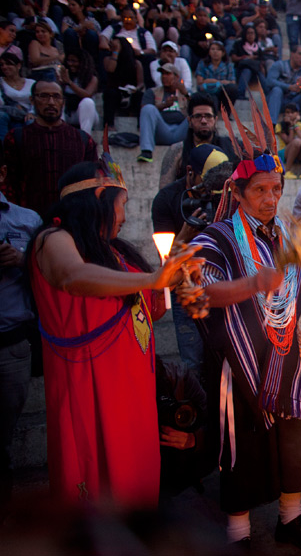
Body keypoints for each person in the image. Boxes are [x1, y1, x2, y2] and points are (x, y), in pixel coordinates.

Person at [192, 144, 301, 548]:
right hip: (240, 360)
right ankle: (239, 534)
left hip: (292, 358)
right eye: (259, 191)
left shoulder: (292, 234)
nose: (270, 200)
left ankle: (291, 519)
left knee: (297, 439)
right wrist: (252, 283)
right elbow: (202, 294)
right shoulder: (216, 238)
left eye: (276, 189)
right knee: (243, 447)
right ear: (237, 194)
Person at [28, 159, 198, 507]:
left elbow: (149, 308)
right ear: (101, 196)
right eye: (123, 204)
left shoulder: (117, 252)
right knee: (97, 488)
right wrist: (154, 279)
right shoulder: (53, 239)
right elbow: (72, 277)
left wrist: (178, 277)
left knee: (137, 488)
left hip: (133, 393)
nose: (125, 214)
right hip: (90, 392)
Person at [152, 143, 231, 372]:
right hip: (185, 289)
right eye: (209, 183)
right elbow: (165, 259)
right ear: (190, 172)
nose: (214, 191)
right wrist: (185, 235)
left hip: (222, 285)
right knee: (193, 362)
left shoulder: (228, 193)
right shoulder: (167, 199)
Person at [0, 148, 41, 508]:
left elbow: (52, 272)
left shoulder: (27, 221)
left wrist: (23, 259)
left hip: (10, 343)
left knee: (3, 438)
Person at [2, 80, 97, 217]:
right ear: (32, 100)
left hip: (71, 220)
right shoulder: (17, 137)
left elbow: (91, 184)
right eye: (44, 96)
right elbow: (9, 182)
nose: (51, 102)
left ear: (63, 102)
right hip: (28, 219)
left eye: (56, 97)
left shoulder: (83, 140)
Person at [157, 92, 236, 189]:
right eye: (198, 116)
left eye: (208, 116)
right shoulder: (177, 151)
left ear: (215, 120)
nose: (203, 121)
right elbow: (164, 191)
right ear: (189, 121)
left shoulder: (231, 147)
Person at [137, 64, 189, 163]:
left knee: (198, 114)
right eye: (162, 74)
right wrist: (164, 105)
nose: (164, 76)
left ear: (176, 76)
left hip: (181, 131)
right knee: (148, 108)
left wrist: (186, 94)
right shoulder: (152, 91)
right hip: (161, 131)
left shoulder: (185, 92)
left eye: (167, 74)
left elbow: (196, 110)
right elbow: (144, 111)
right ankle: (146, 152)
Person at [265, 45, 301, 126]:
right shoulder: (279, 65)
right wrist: (289, 87)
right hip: (279, 100)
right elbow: (269, 81)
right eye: (300, 54)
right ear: (292, 54)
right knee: (277, 90)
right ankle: (271, 124)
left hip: (295, 101)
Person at [59, 49, 99, 135]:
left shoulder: (91, 78)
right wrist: (60, 82)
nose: (70, 64)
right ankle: (60, 134)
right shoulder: (65, 75)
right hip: (68, 113)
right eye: (68, 61)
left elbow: (87, 94)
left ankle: (85, 138)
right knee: (60, 100)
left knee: (87, 102)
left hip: (86, 115)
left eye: (73, 61)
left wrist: (69, 83)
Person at [0, 54, 34, 140]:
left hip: (28, 114)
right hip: (8, 113)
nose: (4, 67)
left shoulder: (31, 83)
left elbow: (37, 101)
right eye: (2, 64)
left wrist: (31, 112)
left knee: (31, 122)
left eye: (8, 64)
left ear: (18, 66)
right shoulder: (1, 82)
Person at [195, 40, 238, 108]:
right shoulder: (202, 63)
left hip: (222, 91)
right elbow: (200, 82)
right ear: (209, 51)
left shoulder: (228, 65)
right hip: (207, 90)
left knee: (232, 89)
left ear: (223, 53)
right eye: (213, 49)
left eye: (218, 49)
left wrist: (210, 80)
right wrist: (220, 82)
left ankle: (227, 113)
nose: (215, 52)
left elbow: (232, 82)